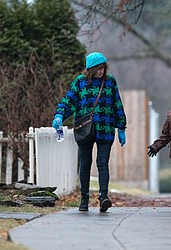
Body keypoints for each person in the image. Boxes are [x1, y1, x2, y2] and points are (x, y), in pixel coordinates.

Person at [52, 52, 127, 212]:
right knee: (85, 163)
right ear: (90, 69)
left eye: (102, 68)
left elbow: (117, 104)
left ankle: (103, 197)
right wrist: (59, 115)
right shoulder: (80, 82)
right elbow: (69, 101)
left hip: (106, 129)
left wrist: (121, 127)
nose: (101, 71)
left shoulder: (110, 82)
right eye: (97, 68)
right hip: (85, 130)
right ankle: (84, 198)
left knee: (102, 162)